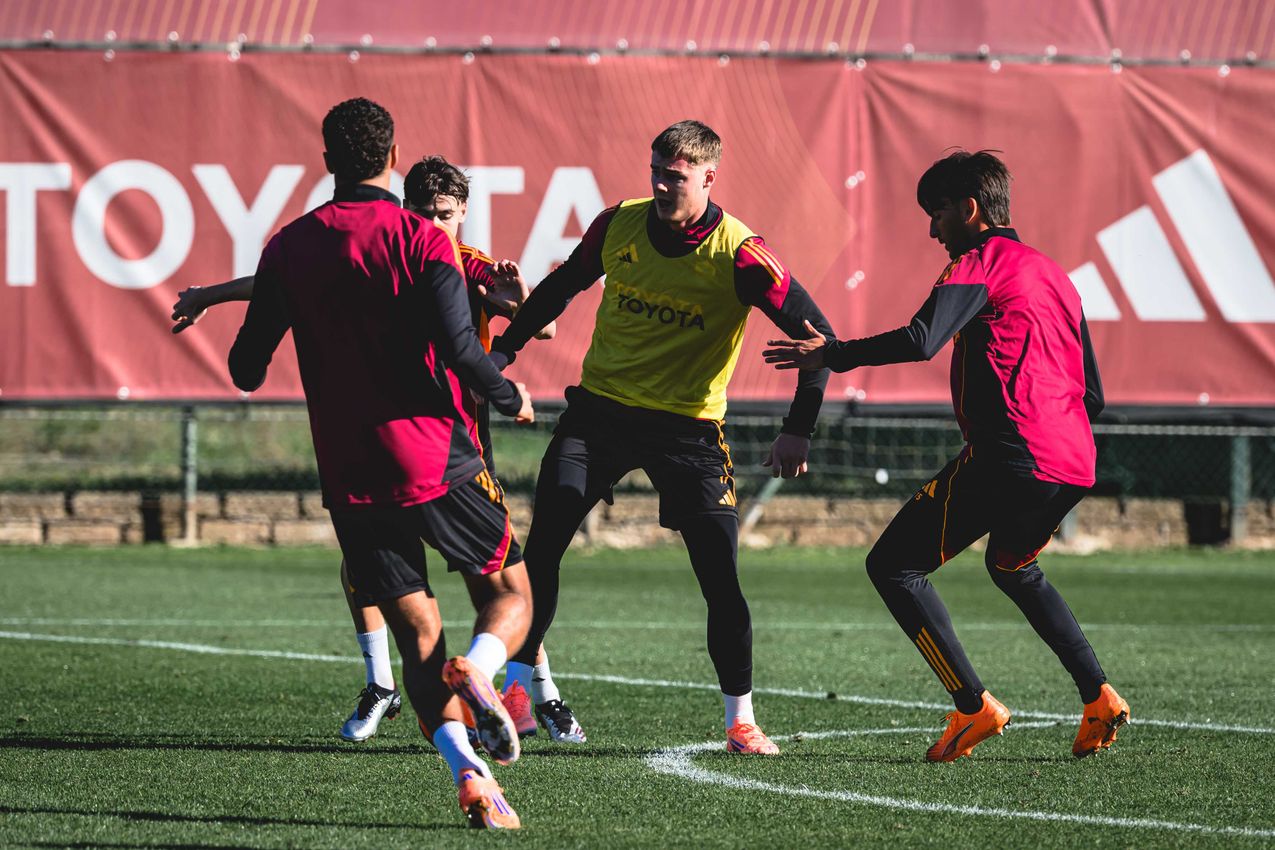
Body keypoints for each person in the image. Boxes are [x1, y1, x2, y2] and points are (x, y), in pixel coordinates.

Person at [171, 156, 585, 745]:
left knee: (497, 574)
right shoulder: (394, 249)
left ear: (464, 213)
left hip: (459, 445)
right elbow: (282, 284)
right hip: (395, 442)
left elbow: (533, 321)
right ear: (404, 204)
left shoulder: (465, 262)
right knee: (372, 571)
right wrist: (214, 292)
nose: (436, 224)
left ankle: (534, 691)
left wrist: (519, 306)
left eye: (446, 214)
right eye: (425, 213)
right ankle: (385, 685)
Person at [763, 149, 1129, 762]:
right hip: (1073, 463)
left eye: (936, 215)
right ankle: (1099, 698)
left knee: (892, 567)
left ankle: (972, 707)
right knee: (1012, 567)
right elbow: (1092, 392)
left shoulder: (980, 261)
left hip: (1013, 454)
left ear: (970, 209)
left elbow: (920, 339)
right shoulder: (1057, 275)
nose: (932, 230)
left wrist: (830, 354)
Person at [227, 97, 533, 828]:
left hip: (351, 474)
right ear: (395, 157)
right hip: (435, 454)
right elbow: (462, 352)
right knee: (511, 594)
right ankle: (482, 671)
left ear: (327, 159)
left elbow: (245, 368)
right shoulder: (421, 239)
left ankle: (472, 778)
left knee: (417, 640)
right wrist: (510, 391)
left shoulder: (287, 246)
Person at [486, 120, 837, 755]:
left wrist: (798, 431)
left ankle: (741, 721)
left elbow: (822, 340)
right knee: (546, 540)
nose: (661, 184)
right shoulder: (618, 222)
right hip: (599, 416)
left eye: (674, 176)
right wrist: (504, 352)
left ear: (709, 177)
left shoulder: (741, 254)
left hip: (689, 431)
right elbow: (563, 286)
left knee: (720, 579)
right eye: (655, 171)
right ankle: (516, 689)